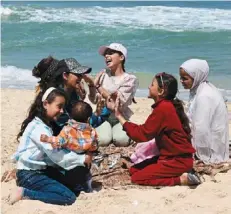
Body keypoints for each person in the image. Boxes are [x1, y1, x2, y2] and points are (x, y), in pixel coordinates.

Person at [108, 72, 201, 186]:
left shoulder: (164, 108)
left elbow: (141, 135)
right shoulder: (166, 106)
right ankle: (179, 173)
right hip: (170, 158)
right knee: (134, 170)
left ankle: (181, 180)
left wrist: (118, 115)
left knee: (137, 178)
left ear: (161, 91)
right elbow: (145, 131)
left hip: (177, 161)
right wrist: (118, 114)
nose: (148, 87)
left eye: (152, 85)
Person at [10, 88, 93, 205]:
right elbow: (57, 156)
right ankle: (25, 193)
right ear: (45, 104)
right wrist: (83, 159)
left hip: (42, 170)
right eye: (59, 106)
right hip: (29, 174)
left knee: (74, 187)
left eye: (63, 107)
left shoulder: (45, 124)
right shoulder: (39, 129)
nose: (62, 111)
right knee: (68, 197)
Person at [32, 56, 109, 135]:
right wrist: (105, 110)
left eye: (81, 74)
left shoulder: (72, 92)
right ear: (65, 75)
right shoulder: (57, 98)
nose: (81, 77)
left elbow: (80, 120)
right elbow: (76, 128)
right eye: (78, 75)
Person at [179, 59, 229, 164]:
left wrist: (200, 156)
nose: (181, 81)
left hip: (210, 149)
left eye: (185, 78)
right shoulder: (200, 89)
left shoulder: (204, 96)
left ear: (196, 77)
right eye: (181, 78)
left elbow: (201, 130)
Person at [91, 43, 139, 147]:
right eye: (106, 54)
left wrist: (99, 87)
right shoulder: (103, 75)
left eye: (111, 53)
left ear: (121, 57)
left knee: (121, 140)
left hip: (120, 117)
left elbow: (115, 103)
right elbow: (94, 100)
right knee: (102, 140)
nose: (107, 56)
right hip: (103, 117)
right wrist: (92, 86)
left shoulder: (130, 79)